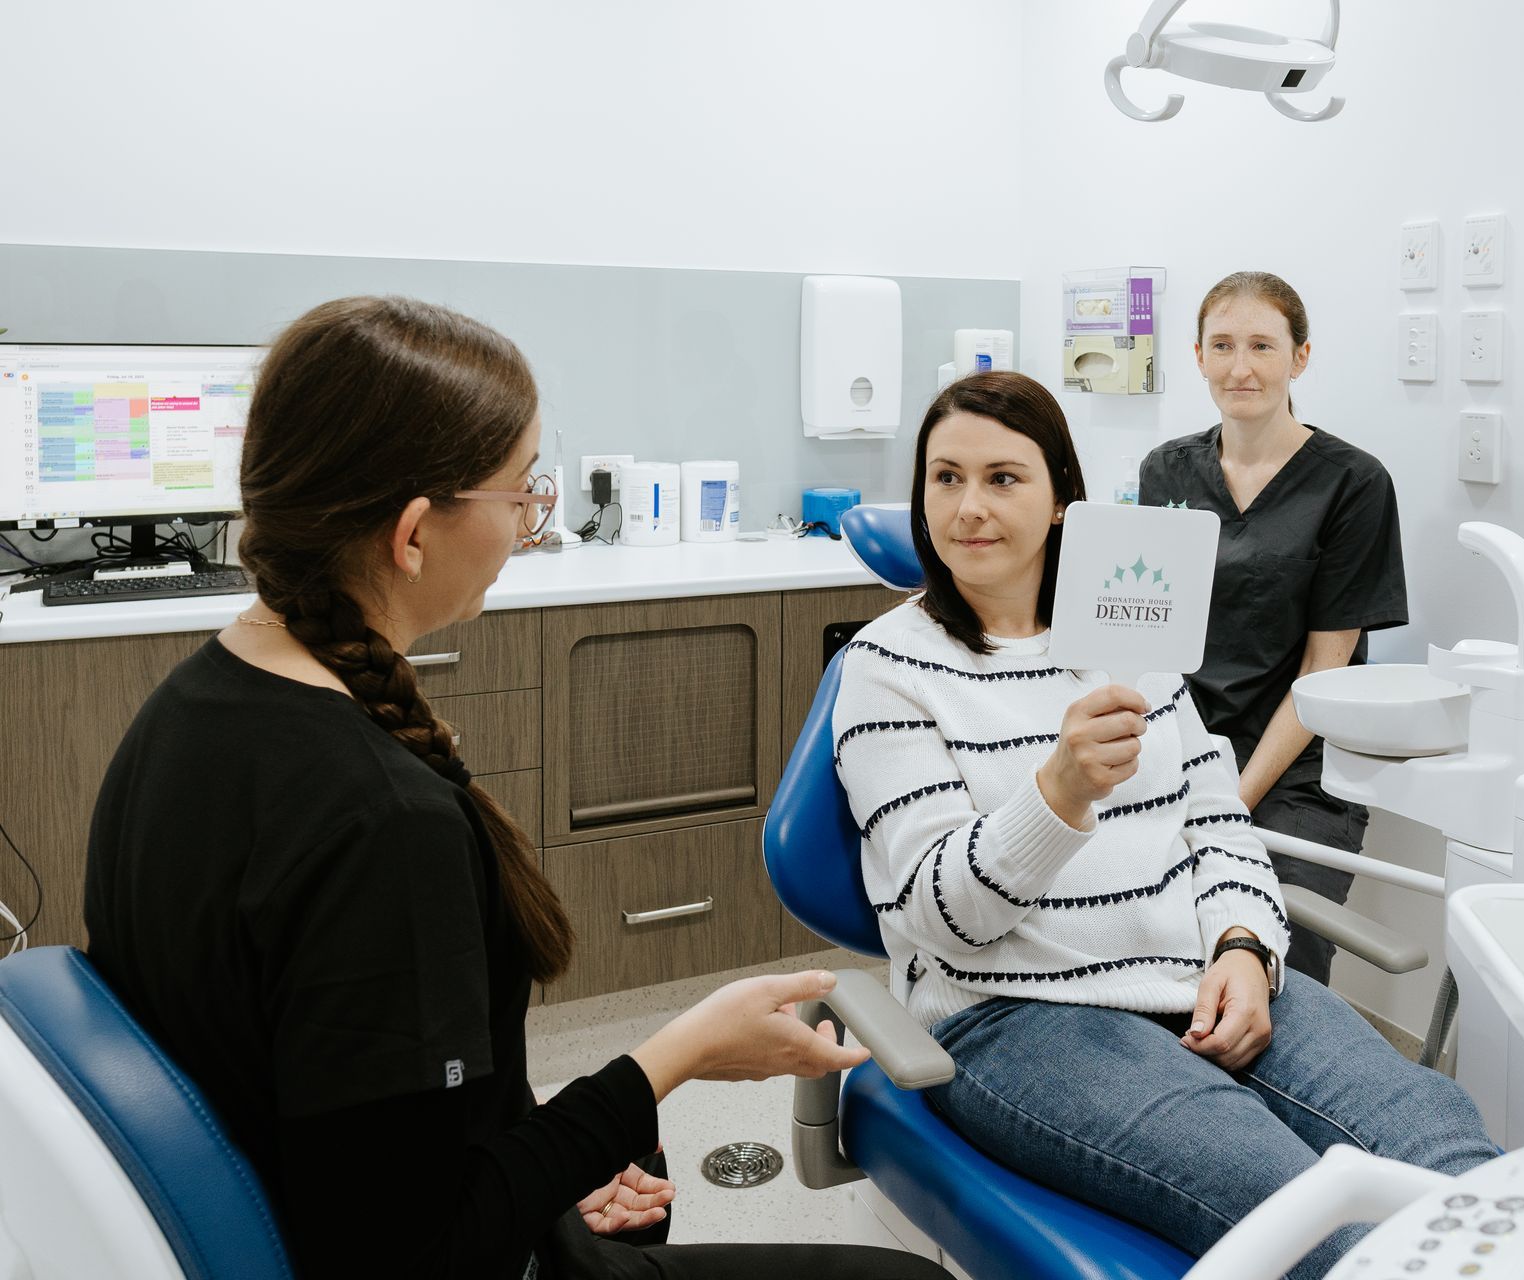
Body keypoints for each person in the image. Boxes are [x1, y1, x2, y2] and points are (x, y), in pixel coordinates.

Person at [84, 296, 949, 1280]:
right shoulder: (382, 826)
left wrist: (546, 1142)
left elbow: (353, 1111)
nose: (534, 521)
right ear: (414, 533)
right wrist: (676, 1055)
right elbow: (427, 1252)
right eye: (521, 492)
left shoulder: (187, 709)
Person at [833, 371, 1493, 1279]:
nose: (969, 508)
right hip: (1021, 1014)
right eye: (945, 478)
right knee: (1304, 1211)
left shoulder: (1128, 639)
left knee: (1447, 1150)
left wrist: (1243, 948)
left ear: (1063, 499)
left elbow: (1220, 826)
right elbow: (942, 918)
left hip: (1202, 978)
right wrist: (1058, 793)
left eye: (1003, 478)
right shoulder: (888, 668)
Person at [1138, 272, 1407, 986]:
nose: (1241, 367)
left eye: (1262, 345)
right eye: (1221, 345)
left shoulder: (1353, 484)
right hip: (1183, 748)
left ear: (1301, 357)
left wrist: (1229, 802)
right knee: (1153, 947)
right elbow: (1148, 639)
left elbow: (1325, 669)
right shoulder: (1166, 472)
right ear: (1197, 356)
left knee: (1269, 955)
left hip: (1298, 770)